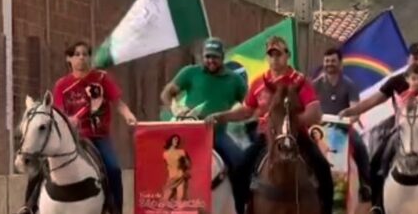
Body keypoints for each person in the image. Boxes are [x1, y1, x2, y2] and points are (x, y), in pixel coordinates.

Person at [205, 36, 334, 214]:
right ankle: (242, 208)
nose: (275, 59)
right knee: (241, 168)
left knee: (323, 166)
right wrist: (221, 116)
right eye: (271, 55)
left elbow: (315, 113)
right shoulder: (258, 83)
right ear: (267, 58)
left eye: (279, 54)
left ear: (287, 55)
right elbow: (246, 111)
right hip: (267, 136)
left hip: (297, 136)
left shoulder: (300, 81)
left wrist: (292, 122)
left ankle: (326, 209)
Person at [339, 42, 418, 214]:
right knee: (377, 161)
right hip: (401, 130)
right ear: (408, 58)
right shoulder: (396, 81)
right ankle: (377, 204)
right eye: (415, 57)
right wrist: (353, 110)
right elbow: (374, 100)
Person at [18, 41, 137, 214]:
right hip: (71, 137)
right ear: (69, 59)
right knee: (40, 166)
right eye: (77, 54)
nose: (81, 58)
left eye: (85, 54)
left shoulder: (101, 78)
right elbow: (58, 114)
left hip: (97, 136)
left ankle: (115, 208)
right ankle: (28, 206)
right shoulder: (62, 85)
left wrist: (128, 115)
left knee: (113, 168)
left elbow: (118, 102)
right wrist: (69, 120)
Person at [160, 38, 247, 174]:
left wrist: (227, 115)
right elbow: (167, 93)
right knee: (162, 160)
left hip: (217, 134)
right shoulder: (190, 72)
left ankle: (240, 195)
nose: (211, 60)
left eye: (215, 57)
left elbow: (248, 106)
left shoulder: (235, 80)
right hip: (188, 133)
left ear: (223, 57)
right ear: (202, 56)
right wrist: (175, 109)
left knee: (240, 161)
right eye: (208, 56)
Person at [312, 47, 372, 201]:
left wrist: (347, 119)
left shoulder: (349, 85)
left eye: (333, 61)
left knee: (360, 147)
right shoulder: (315, 85)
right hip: (320, 129)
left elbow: (355, 110)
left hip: (343, 129)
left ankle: (366, 184)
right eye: (327, 61)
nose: (329, 64)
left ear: (340, 64)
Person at [162, 134, 191, 201]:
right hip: (171, 177)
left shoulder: (181, 152)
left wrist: (184, 169)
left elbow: (188, 164)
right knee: (165, 198)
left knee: (180, 198)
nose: (176, 141)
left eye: (177, 140)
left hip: (180, 176)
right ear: (171, 140)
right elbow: (168, 165)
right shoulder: (165, 154)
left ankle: (178, 210)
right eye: (175, 139)